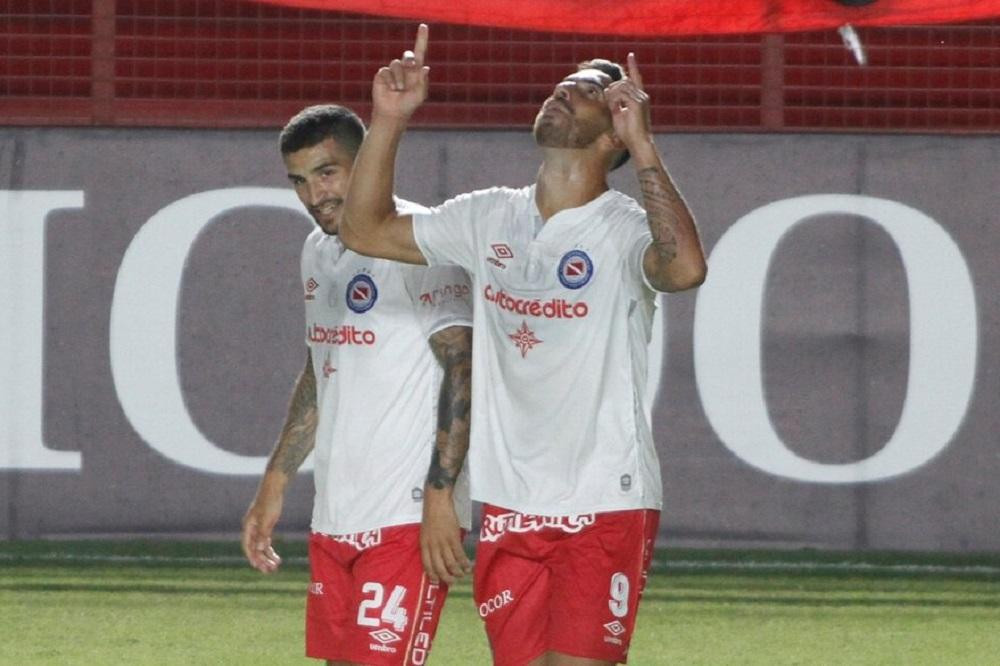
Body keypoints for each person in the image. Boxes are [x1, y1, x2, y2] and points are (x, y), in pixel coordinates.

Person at [340, 25, 707, 666]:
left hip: (605, 495)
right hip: (509, 500)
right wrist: (389, 119)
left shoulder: (621, 229)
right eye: (563, 84)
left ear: (615, 129)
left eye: (591, 89)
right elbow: (366, 229)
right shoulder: (489, 216)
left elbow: (684, 272)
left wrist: (645, 149)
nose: (564, 89)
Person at [240, 103, 474, 666]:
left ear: (366, 161)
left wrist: (441, 497)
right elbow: (322, 368)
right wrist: (275, 482)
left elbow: (464, 367)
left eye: (327, 172)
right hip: (336, 514)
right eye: (299, 180)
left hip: (404, 515)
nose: (313, 194)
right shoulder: (317, 252)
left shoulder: (422, 243)